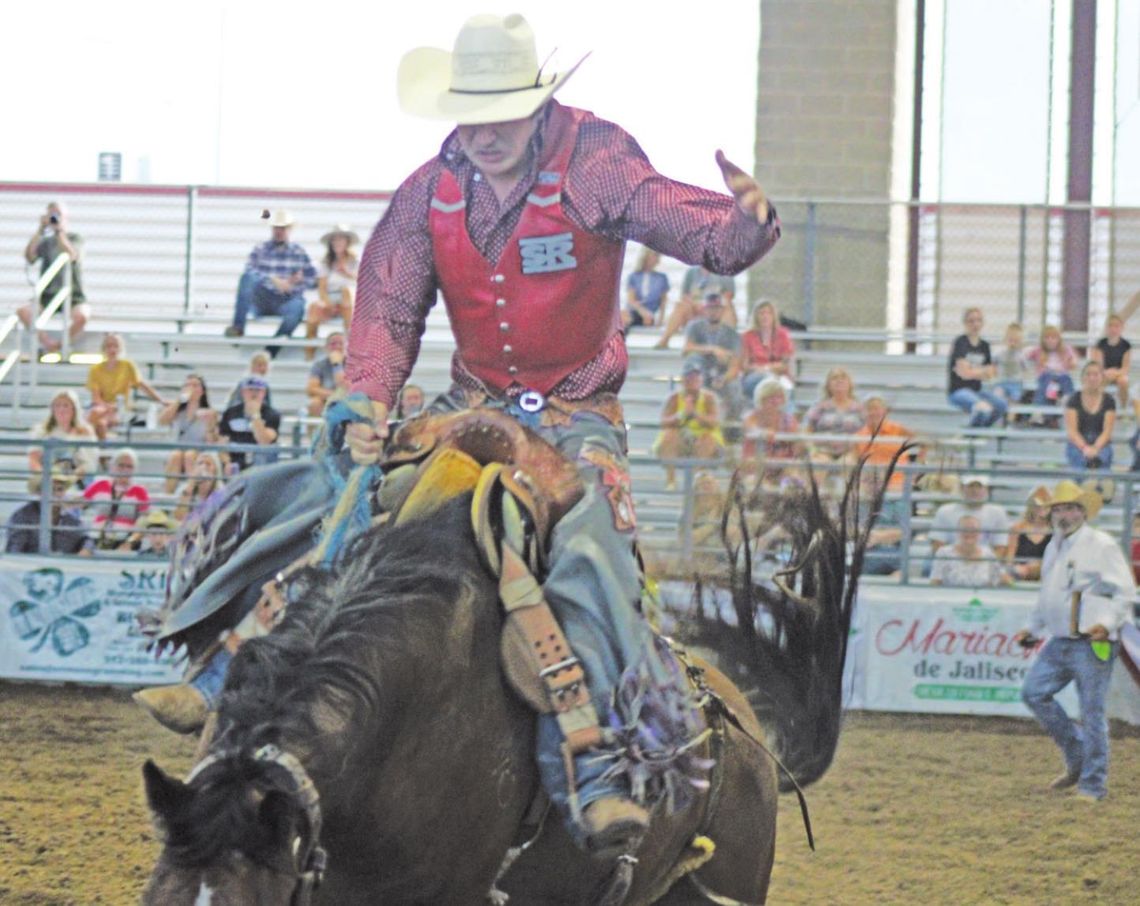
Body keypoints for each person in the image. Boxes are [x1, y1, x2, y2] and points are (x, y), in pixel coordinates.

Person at [343, 12, 779, 854]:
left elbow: (682, 221)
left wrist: (743, 228)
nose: (486, 131)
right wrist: (365, 401)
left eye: (503, 111)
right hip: (469, 415)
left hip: (577, 418)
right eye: (473, 112)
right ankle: (259, 695)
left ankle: (596, 762)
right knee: (353, 511)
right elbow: (389, 305)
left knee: (589, 548)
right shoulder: (427, 194)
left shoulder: (596, 162)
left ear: (538, 106)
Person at [1015, 480, 1135, 801]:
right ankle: (1079, 759)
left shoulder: (1101, 545)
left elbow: (1124, 592)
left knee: (1091, 712)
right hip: (1061, 639)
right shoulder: (1055, 545)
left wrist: (1106, 623)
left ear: (1082, 511)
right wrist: (1033, 628)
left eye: (1069, 508)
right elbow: (1047, 596)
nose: (1063, 514)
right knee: (1034, 693)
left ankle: (1092, 784)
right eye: (1058, 509)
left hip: (1090, 640)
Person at [224, 210, 317, 357]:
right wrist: (273, 280)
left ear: (290, 229)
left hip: (286, 299)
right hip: (263, 297)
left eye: (283, 228)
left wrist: (294, 284)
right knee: (247, 279)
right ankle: (238, 328)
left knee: (298, 307)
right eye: (276, 228)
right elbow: (249, 272)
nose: (279, 231)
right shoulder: (260, 249)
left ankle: (269, 352)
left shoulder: (299, 252)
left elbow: (313, 280)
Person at [17, 201, 90, 352]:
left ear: (66, 218)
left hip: (72, 295)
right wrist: (40, 230)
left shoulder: (75, 238)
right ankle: (47, 343)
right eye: (52, 215)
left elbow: (72, 255)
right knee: (23, 311)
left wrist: (59, 232)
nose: (55, 218)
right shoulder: (45, 241)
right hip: (47, 296)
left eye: (58, 215)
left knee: (82, 316)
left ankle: (61, 344)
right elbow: (30, 257)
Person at [653, 357, 727, 491]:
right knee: (670, 435)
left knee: (707, 440)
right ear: (683, 380)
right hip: (681, 441)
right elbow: (664, 422)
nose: (691, 381)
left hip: (705, 443)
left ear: (701, 380)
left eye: (695, 378)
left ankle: (697, 481)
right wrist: (681, 415)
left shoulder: (709, 398)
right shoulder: (674, 398)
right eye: (688, 378)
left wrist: (694, 414)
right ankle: (671, 481)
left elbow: (714, 422)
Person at [85, 333, 168, 442]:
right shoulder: (95, 369)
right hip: (102, 407)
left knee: (97, 421)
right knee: (98, 420)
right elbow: (96, 398)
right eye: (109, 346)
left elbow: (142, 385)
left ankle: (99, 450)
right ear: (103, 349)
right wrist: (108, 407)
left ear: (121, 348)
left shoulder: (127, 365)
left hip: (120, 408)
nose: (112, 349)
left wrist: (161, 400)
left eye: (115, 346)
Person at [681, 290, 746, 418]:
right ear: (704, 309)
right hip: (699, 372)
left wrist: (724, 378)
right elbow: (686, 349)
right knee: (693, 359)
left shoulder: (732, 334)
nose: (713, 312)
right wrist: (713, 349)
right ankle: (690, 416)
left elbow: (735, 365)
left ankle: (731, 428)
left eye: (716, 308)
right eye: (710, 308)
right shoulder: (695, 327)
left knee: (735, 389)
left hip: (722, 373)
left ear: (722, 310)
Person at [5, 462, 86, 555]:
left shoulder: (68, 515)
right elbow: (14, 550)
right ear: (39, 492)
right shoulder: (22, 516)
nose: (54, 493)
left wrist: (86, 549)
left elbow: (85, 538)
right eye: (50, 489)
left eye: (60, 489)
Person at [158, 373, 219, 494]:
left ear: (202, 391)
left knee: (190, 455)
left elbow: (211, 441)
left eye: (195, 385)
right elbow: (162, 421)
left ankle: (190, 493)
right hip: (178, 450)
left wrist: (209, 425)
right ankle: (168, 496)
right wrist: (180, 400)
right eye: (187, 385)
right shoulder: (176, 410)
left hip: (199, 450)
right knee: (176, 455)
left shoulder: (210, 412)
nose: (191, 388)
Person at [304, 225, 359, 359]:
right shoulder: (325, 263)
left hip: (351, 300)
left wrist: (346, 273)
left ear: (347, 242)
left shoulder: (355, 261)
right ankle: (309, 352)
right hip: (331, 298)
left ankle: (351, 349)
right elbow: (322, 289)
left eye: (341, 239)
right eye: (334, 240)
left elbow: (364, 282)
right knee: (313, 309)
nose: (337, 243)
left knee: (347, 293)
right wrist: (328, 304)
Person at [947, 307, 1006, 427]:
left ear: (982, 323)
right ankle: (970, 438)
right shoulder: (960, 342)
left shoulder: (985, 346)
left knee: (1001, 405)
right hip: (958, 391)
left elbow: (991, 374)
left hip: (976, 391)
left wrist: (972, 370)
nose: (975, 324)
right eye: (971, 321)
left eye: (978, 320)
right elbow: (964, 373)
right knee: (983, 408)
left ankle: (975, 433)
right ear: (965, 323)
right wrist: (981, 371)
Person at [82, 448, 150, 551]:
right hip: (96, 536)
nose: (125, 469)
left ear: (134, 470)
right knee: (84, 553)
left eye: (129, 466)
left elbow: (144, 522)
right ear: (113, 467)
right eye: (121, 465)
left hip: (124, 538)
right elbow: (79, 504)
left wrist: (130, 542)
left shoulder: (140, 491)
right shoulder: (100, 485)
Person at [739, 376, 802, 489]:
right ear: (761, 398)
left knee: (794, 480)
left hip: (781, 468)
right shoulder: (751, 417)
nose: (775, 401)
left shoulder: (789, 420)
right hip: (756, 468)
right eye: (770, 397)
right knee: (757, 485)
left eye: (778, 397)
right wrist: (763, 433)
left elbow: (797, 444)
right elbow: (750, 428)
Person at [928, 475, 1011, 559]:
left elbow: (1000, 547)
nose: (975, 490)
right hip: (951, 561)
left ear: (987, 490)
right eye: (970, 486)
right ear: (962, 488)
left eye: (979, 486)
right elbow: (937, 544)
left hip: (984, 563)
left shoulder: (998, 512)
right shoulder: (945, 511)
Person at [27, 389, 99, 485]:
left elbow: (89, 463)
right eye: (57, 405)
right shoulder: (41, 430)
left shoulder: (86, 431)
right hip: (47, 480)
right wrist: (47, 478)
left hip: (77, 480)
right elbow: (33, 460)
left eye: (66, 405)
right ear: (52, 409)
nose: (61, 409)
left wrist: (68, 480)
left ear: (74, 409)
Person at [656, 266, 737, 348]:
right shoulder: (691, 272)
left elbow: (728, 296)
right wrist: (696, 305)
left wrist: (706, 305)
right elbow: (685, 296)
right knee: (680, 306)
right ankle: (664, 340)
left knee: (728, 307)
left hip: (716, 311)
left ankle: (726, 344)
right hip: (694, 312)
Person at [850, 395, 915, 493]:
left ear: (885, 411)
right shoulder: (859, 435)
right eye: (869, 409)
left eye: (876, 408)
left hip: (897, 480)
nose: (873, 413)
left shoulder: (898, 429)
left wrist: (918, 464)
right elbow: (855, 463)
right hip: (869, 483)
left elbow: (922, 442)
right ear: (863, 413)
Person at [219, 376, 281, 473]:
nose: (254, 393)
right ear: (243, 392)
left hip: (260, 461)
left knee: (261, 456)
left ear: (264, 393)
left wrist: (255, 415)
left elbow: (264, 441)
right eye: (250, 389)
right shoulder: (230, 413)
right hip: (235, 460)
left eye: (258, 390)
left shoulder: (272, 414)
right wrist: (227, 462)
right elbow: (222, 443)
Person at [804, 366, 864, 463]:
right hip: (822, 451)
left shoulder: (860, 409)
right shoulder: (819, 407)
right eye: (835, 378)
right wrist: (812, 450)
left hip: (850, 452)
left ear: (850, 384)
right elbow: (807, 431)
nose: (839, 381)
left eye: (843, 378)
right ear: (828, 385)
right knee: (818, 464)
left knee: (848, 464)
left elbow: (867, 432)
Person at [739, 299, 796, 402]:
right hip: (754, 376)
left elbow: (785, 364)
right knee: (766, 383)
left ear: (774, 316)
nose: (765, 316)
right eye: (761, 313)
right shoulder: (747, 336)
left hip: (778, 376)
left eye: (768, 313)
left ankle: (786, 416)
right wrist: (761, 371)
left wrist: (766, 369)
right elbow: (745, 365)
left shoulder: (783, 335)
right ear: (756, 316)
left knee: (786, 387)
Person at [929, 514, 1009, 587]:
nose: (969, 532)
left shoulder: (988, 554)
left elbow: (1002, 580)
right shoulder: (944, 553)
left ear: (980, 533)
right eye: (965, 529)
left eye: (974, 529)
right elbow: (935, 582)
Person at [1064, 361, 1115, 473]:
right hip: (1078, 442)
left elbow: (1107, 432)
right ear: (1082, 378)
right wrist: (1085, 448)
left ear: (1102, 378)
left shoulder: (1109, 401)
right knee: (1080, 464)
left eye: (1096, 374)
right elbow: (1072, 432)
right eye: (1088, 374)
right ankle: (1084, 485)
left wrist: (1095, 448)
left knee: (1103, 466)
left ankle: (1101, 485)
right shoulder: (1073, 400)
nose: (1092, 378)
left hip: (1101, 443)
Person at [1005, 485, 1052, 581]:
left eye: (1045, 502)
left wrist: (1036, 567)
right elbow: (1009, 560)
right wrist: (1017, 570)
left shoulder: (1056, 531)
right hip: (1019, 577)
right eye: (1038, 503)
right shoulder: (1017, 528)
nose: (1041, 507)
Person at [1026, 324, 1078, 410]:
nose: (1050, 340)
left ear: (1059, 339)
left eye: (1053, 338)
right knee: (1043, 386)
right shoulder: (1039, 350)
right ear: (1042, 340)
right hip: (1046, 375)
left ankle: (1067, 399)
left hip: (1062, 375)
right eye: (1047, 338)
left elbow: (1074, 359)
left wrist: (1072, 362)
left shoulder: (1065, 349)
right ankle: (1038, 410)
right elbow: (1026, 354)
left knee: (1067, 380)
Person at [621, 248, 669, 332]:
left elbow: (663, 302)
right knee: (623, 316)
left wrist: (660, 320)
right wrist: (643, 312)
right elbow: (631, 301)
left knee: (626, 319)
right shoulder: (634, 276)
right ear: (646, 256)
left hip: (650, 315)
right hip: (635, 311)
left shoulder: (662, 278)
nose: (657, 258)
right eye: (655, 255)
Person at [1090, 313, 1131, 408]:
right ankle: (1098, 407)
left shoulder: (1126, 345)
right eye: (1110, 326)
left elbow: (1125, 367)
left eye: (1116, 326)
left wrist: (1115, 373)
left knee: (1123, 381)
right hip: (1104, 373)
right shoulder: (1101, 344)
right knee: (1098, 380)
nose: (1113, 329)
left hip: (1119, 374)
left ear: (1121, 328)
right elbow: (1097, 365)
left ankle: (1123, 408)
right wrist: (1105, 372)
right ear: (1106, 328)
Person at [305, 332, 348, 418]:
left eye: (340, 344)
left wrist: (337, 365)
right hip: (327, 398)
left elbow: (344, 387)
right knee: (314, 403)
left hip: (348, 400)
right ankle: (313, 431)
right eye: (333, 344)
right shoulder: (319, 365)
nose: (337, 347)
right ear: (326, 347)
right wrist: (334, 395)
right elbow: (311, 389)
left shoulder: (353, 364)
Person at [173, 451, 224, 521]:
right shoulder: (185, 488)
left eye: (208, 464)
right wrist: (191, 485)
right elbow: (179, 518)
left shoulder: (222, 490)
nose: (203, 467)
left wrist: (207, 486)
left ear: (216, 471)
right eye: (200, 463)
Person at [992, 322, 1032, 408]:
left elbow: (1026, 369)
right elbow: (993, 364)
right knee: (997, 395)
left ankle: (1011, 420)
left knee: (1016, 398)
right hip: (1002, 382)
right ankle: (998, 418)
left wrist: (1023, 379)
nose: (1013, 343)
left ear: (1020, 342)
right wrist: (994, 374)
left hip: (1015, 383)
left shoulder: (1021, 355)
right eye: (1010, 340)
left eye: (1016, 341)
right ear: (1005, 340)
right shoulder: (1000, 353)